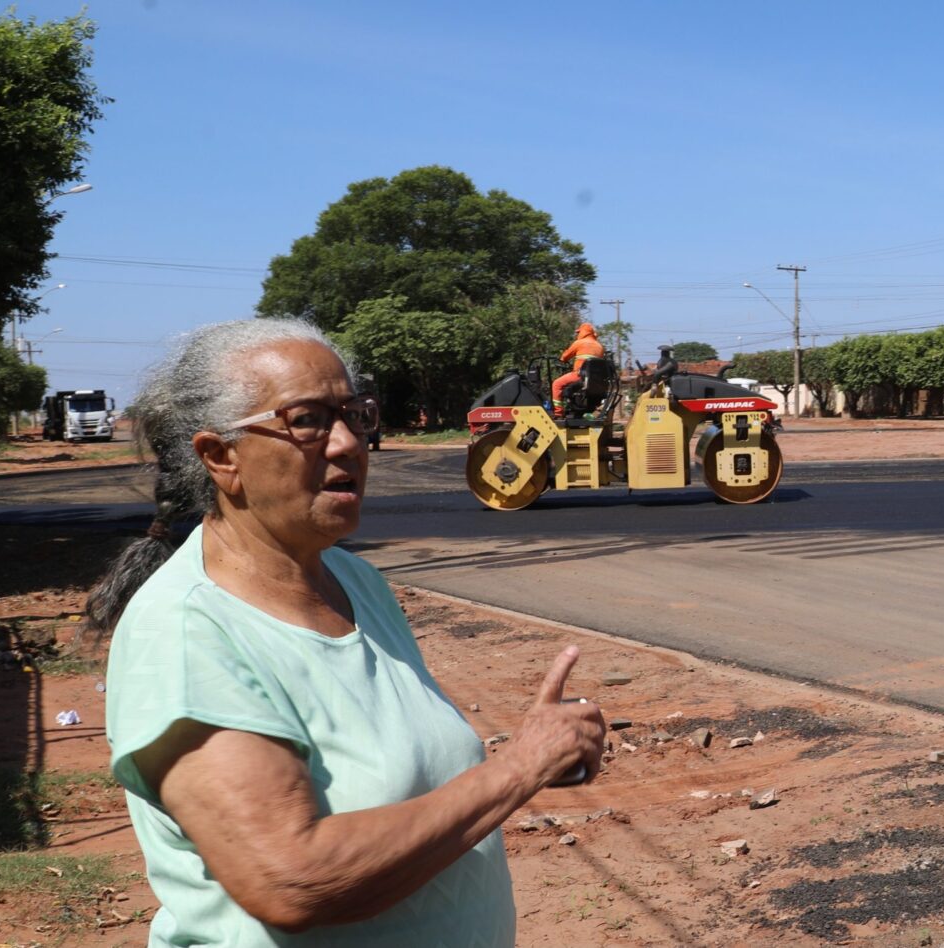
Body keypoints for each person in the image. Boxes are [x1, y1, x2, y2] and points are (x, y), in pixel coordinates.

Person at [88, 318, 607, 947]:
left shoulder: (354, 582)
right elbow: (291, 880)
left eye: (355, 414)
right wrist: (517, 769)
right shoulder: (187, 631)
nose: (347, 444)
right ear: (221, 456)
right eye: (305, 419)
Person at [552, 322, 606, 418]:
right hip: (595, 380)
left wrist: (563, 357)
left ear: (583, 332)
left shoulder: (579, 343)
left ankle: (558, 413)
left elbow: (564, 357)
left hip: (579, 376)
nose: (577, 335)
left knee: (556, 384)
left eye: (578, 332)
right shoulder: (600, 346)